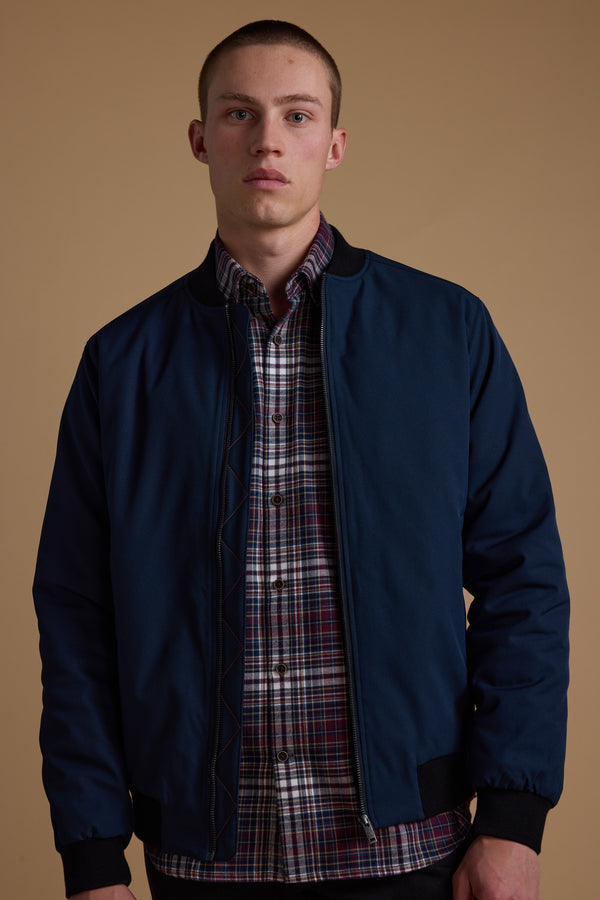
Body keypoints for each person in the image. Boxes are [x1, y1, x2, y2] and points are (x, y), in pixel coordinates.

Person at [33, 19, 569, 900]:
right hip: (204, 864)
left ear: (336, 143)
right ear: (201, 139)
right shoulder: (121, 365)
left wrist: (513, 820)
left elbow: (523, 581)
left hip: (410, 854)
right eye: (240, 113)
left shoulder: (448, 334)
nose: (269, 139)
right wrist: (92, 857)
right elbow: (78, 619)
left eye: (297, 114)